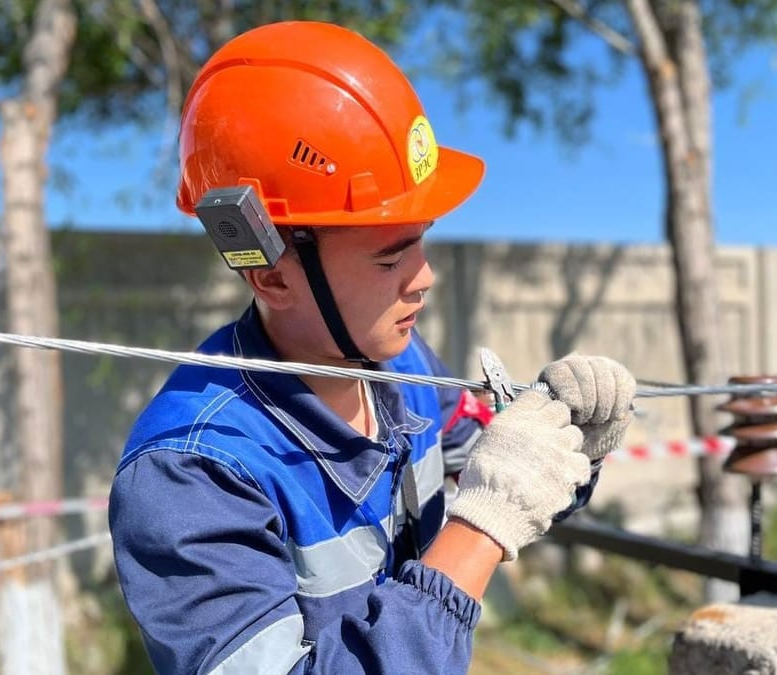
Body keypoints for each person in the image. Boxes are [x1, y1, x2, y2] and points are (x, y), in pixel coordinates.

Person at [109, 20, 637, 675]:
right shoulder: (190, 473)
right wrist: (479, 529)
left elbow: (495, 473)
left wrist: (567, 446)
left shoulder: (400, 366)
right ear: (272, 273)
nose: (427, 276)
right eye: (391, 258)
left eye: (422, 239)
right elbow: (485, 511)